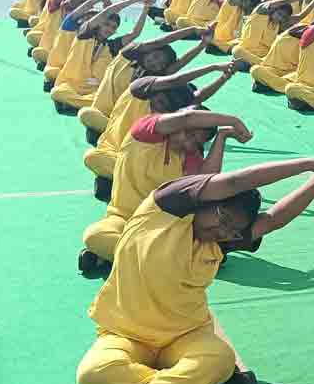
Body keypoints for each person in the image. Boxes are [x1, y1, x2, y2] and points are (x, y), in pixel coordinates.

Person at [47, 150, 314, 384]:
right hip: (125, 333)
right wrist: (308, 163)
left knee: (218, 358)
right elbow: (233, 183)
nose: (222, 231)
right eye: (222, 217)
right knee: (94, 376)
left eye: (232, 229)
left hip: (185, 337)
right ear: (205, 201)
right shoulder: (164, 210)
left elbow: (272, 219)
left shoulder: (217, 244)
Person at [79, 108, 251, 274]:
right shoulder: (144, 131)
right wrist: (233, 120)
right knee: (95, 236)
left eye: (196, 143)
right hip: (122, 217)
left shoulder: (189, 157)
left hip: (162, 229)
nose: (188, 143)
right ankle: (173, 263)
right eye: (188, 134)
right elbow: (187, 118)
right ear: (174, 123)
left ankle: (118, 259)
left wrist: (222, 137)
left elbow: (206, 183)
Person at [85, 59, 234, 201]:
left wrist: (222, 135)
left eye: (167, 107)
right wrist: (213, 66)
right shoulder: (139, 96)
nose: (160, 107)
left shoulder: (175, 134)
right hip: (115, 151)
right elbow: (175, 81)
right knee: (89, 127)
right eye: (161, 100)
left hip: (140, 181)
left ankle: (113, 181)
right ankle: (117, 181)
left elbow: (204, 180)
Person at [78, 24, 200, 143]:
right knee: (85, 113)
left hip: (122, 123)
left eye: (161, 64)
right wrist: (192, 30)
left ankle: (113, 135)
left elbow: (178, 65)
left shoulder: (147, 79)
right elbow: (159, 42)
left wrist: (203, 44)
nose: (155, 63)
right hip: (101, 115)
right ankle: (113, 134)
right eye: (156, 56)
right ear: (149, 51)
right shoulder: (125, 56)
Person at [51, 0, 150, 114]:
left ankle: (78, 105)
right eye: (106, 25)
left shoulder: (111, 46)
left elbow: (135, 33)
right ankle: (87, 106)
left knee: (108, 99)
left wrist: (146, 8)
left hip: (94, 92)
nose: (109, 29)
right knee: (58, 92)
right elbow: (107, 12)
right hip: (70, 86)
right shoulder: (84, 35)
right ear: (99, 25)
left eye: (114, 28)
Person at [43, 0, 134, 93]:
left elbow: (111, 12)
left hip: (78, 77)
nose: (91, 20)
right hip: (59, 69)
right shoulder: (69, 25)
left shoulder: (91, 35)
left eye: (93, 19)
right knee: (51, 70)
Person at [231, 0, 314, 66]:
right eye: (279, 14)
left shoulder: (278, 24)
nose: (280, 18)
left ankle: (260, 65)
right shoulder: (260, 13)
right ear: (273, 10)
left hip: (266, 56)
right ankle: (264, 65)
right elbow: (286, 0)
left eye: (283, 17)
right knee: (236, 50)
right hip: (245, 52)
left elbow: (300, 16)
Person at [249, 25, 307, 94]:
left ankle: (268, 84)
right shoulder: (286, 35)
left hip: (292, 73)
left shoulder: (312, 44)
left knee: (296, 83)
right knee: (255, 69)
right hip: (275, 70)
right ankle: (277, 86)